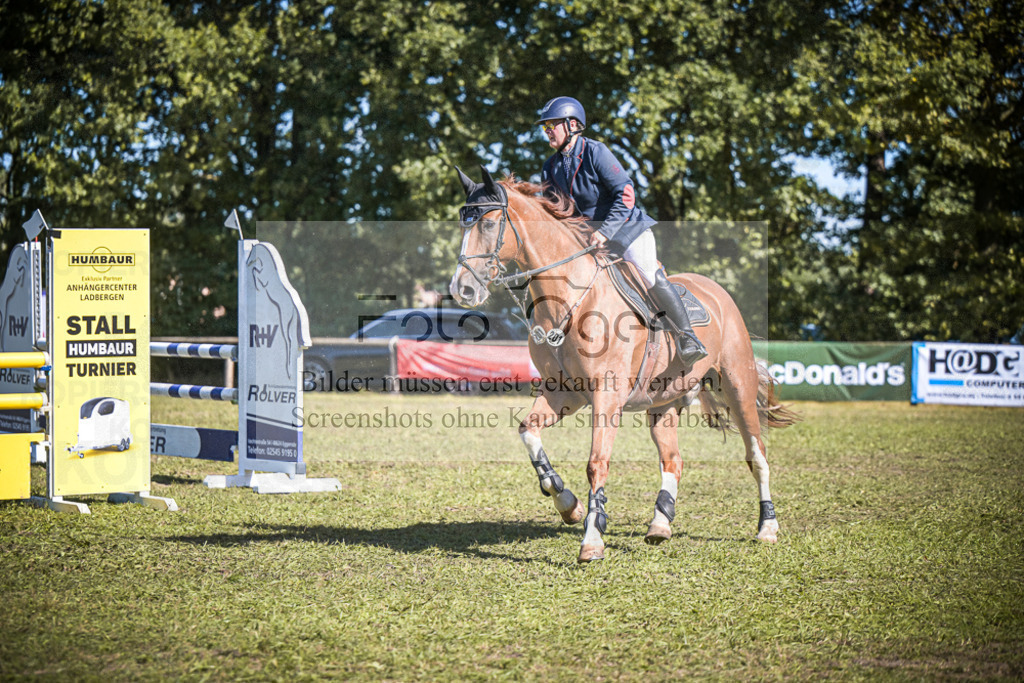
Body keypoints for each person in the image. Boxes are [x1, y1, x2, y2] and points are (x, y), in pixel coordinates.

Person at [535, 96, 707, 365]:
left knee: (648, 272)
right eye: (544, 127)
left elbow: (625, 193)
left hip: (627, 229)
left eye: (551, 126)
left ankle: (688, 337)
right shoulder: (550, 166)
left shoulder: (596, 152)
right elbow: (554, 211)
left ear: (572, 125)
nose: (547, 132)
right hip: (589, 241)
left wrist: (605, 231)